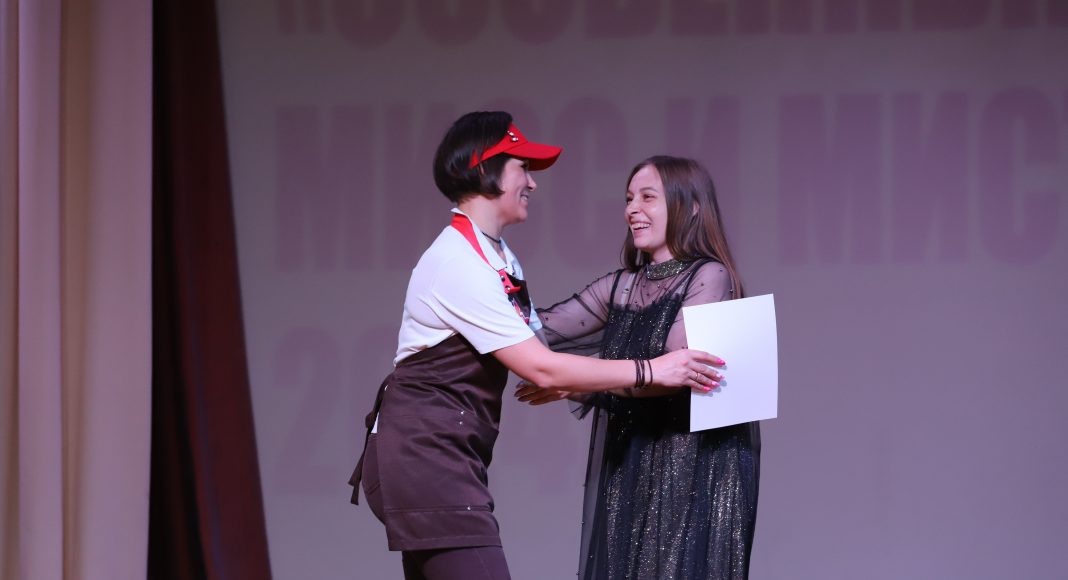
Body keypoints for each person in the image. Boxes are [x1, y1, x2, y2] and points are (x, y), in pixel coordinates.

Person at [347, 114, 725, 580]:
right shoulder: (458, 263)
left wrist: (577, 380)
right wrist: (651, 370)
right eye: (522, 168)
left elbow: (537, 346)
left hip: (445, 458)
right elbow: (541, 366)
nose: (531, 182)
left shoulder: (499, 257)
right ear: (485, 170)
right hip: (424, 457)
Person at [516, 155, 761, 579]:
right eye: (629, 198)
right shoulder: (622, 285)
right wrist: (484, 293)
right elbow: (537, 330)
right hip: (632, 461)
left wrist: (575, 382)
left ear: (691, 207)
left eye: (648, 197)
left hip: (691, 469)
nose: (632, 209)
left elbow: (673, 377)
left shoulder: (710, 276)